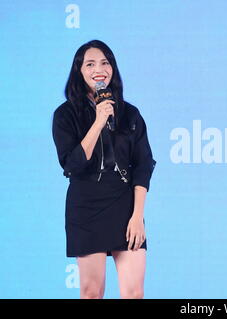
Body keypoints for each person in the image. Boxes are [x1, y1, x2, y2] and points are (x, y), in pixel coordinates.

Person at [52, 40, 156, 299]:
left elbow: (143, 164)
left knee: (134, 293)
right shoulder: (65, 115)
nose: (99, 69)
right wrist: (98, 122)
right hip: (86, 206)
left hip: (124, 204)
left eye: (105, 62)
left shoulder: (130, 113)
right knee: (91, 292)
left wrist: (137, 216)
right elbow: (72, 164)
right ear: (79, 71)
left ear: (113, 68)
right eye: (90, 64)